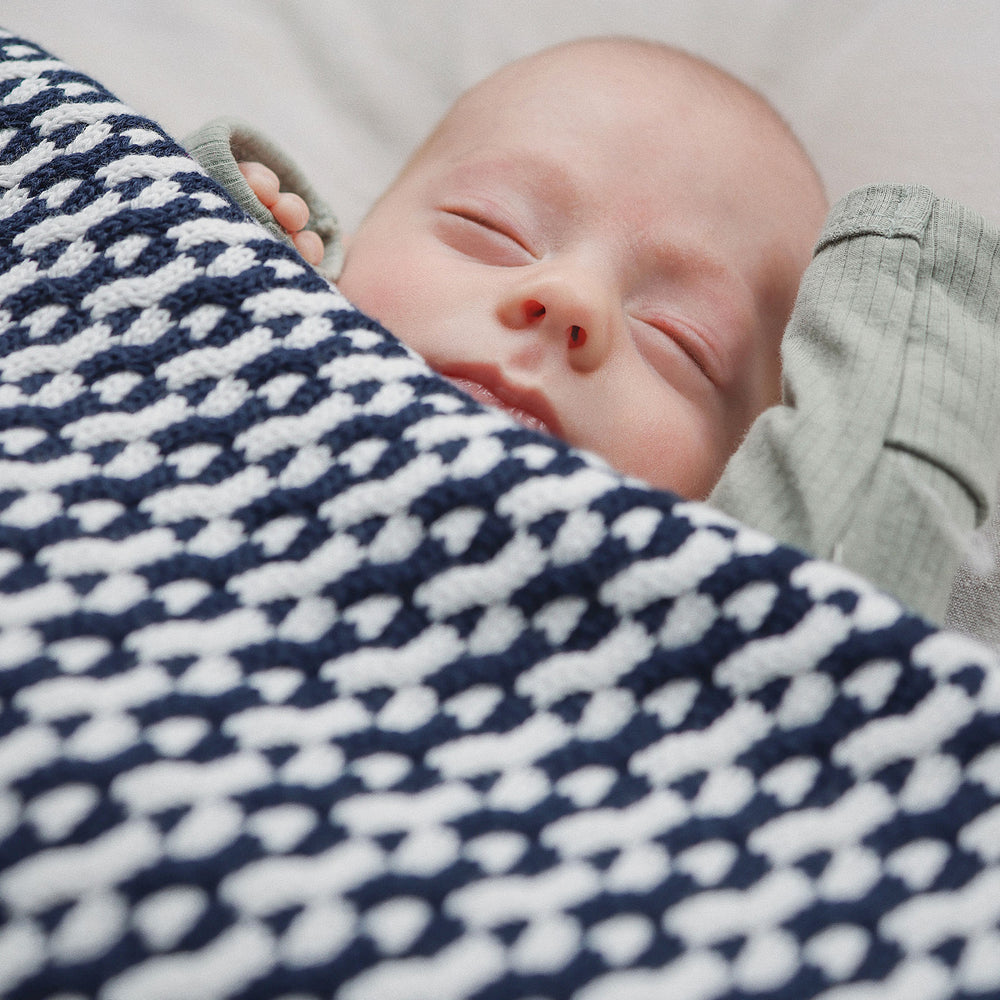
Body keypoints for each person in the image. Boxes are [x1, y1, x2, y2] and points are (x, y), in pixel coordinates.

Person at [185, 37, 1000, 627]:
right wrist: (226, 239)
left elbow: (862, 550)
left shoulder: (707, 618)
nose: (572, 297)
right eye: (493, 227)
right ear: (344, 241)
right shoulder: (241, 380)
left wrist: (925, 284)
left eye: (681, 339)